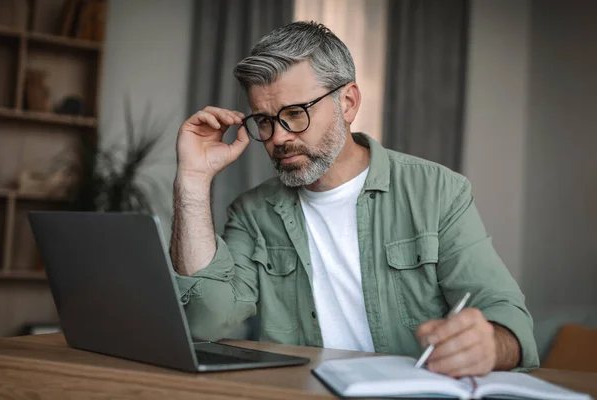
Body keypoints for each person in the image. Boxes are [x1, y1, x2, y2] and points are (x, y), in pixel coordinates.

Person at [170, 21, 539, 377]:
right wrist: (192, 180)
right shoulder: (252, 213)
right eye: (264, 121)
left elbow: (509, 319)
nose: (278, 138)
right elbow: (206, 321)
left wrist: (489, 343)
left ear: (347, 102)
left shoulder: (439, 191)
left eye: (295, 114)